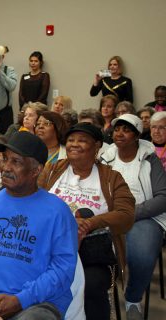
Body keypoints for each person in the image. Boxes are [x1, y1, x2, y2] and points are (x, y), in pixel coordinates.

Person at [0, 131, 78, 320]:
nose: (6, 167)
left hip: (36, 303)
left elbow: (62, 269)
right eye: (5, 159)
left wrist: (20, 300)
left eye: (16, 162)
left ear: (36, 170)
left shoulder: (57, 212)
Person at [38, 122, 135, 320]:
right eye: (71, 140)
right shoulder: (52, 169)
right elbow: (33, 200)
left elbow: (126, 216)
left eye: (82, 141)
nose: (74, 144)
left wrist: (91, 223)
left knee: (90, 286)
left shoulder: (111, 178)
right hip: (49, 247)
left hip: (93, 254)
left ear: (97, 146)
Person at [99, 114, 166, 319]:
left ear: (137, 136)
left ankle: (133, 298)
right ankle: (104, 293)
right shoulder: (105, 157)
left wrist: (129, 214)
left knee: (143, 254)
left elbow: (162, 197)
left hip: (144, 216)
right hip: (109, 216)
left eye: (126, 130)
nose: (120, 133)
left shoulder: (149, 158)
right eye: (117, 129)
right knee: (93, 247)